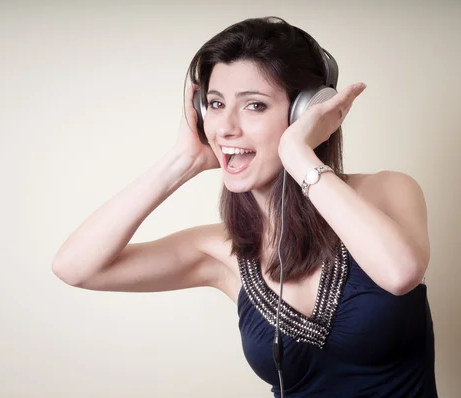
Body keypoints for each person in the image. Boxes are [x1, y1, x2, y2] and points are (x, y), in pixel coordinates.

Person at [52, 16, 437, 398]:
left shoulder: (387, 190)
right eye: (215, 105)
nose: (225, 127)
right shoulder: (220, 251)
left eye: (254, 105)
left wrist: (297, 154)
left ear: (306, 112)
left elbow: (399, 272)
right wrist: (182, 160)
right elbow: (75, 268)